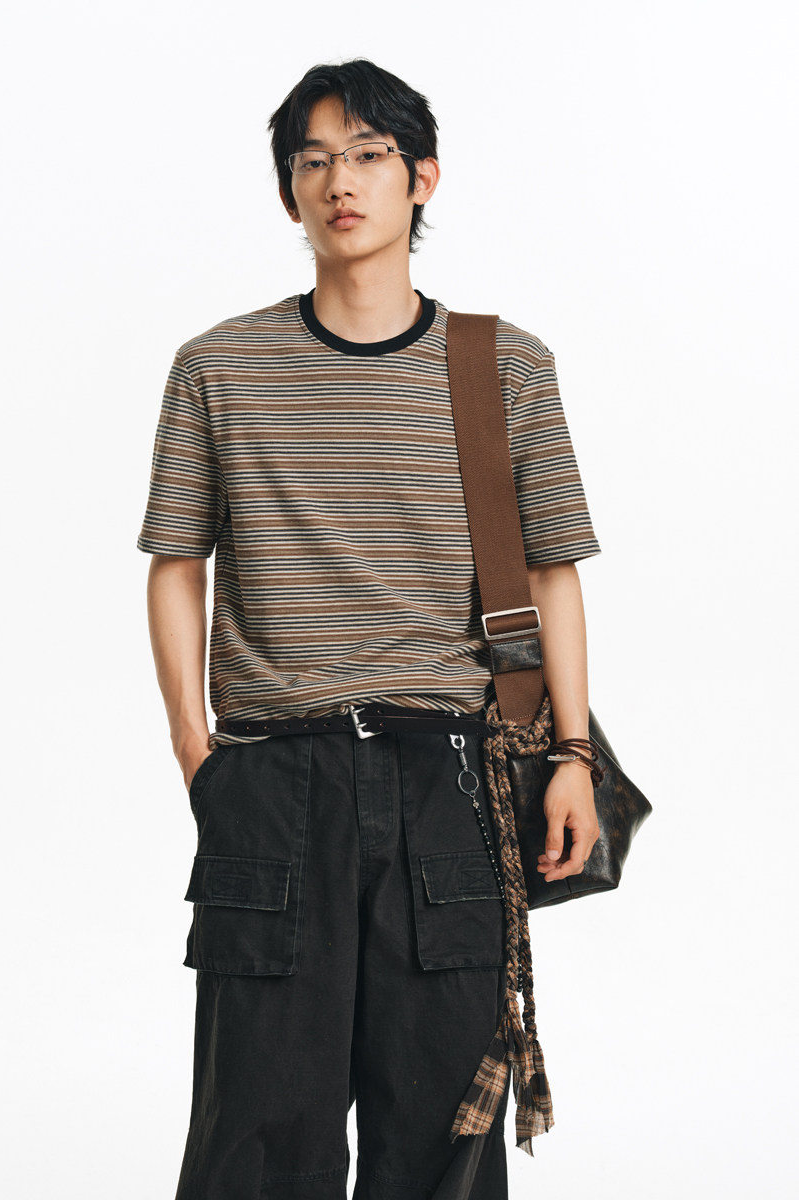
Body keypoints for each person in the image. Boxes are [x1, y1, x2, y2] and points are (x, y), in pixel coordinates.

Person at [137, 57, 603, 1200]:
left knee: (445, 1144)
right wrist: (198, 754)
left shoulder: (505, 369)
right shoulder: (218, 369)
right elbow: (175, 565)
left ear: (421, 177)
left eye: (367, 154)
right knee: (253, 1145)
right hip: (272, 778)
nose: (338, 180)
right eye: (313, 161)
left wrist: (573, 756)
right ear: (288, 192)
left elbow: (553, 576)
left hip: (449, 779)